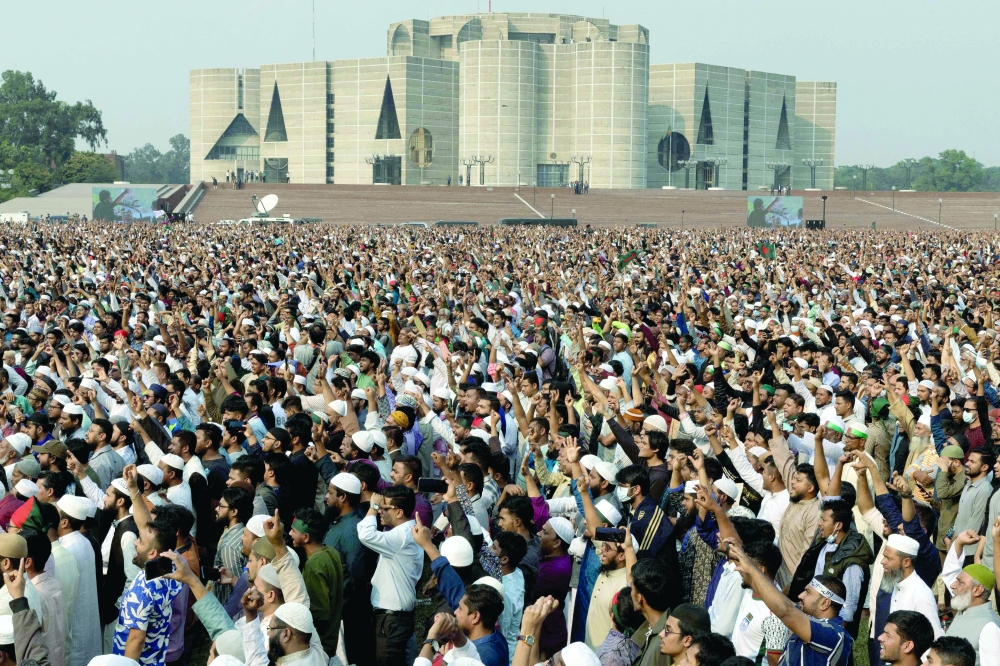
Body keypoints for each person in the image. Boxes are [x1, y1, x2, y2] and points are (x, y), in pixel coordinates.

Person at [727, 540, 854, 666]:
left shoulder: (832, 634)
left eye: (808, 592)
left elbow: (785, 610)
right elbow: (777, 600)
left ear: (825, 603)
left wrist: (752, 569)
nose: (800, 596)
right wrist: (744, 563)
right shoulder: (809, 620)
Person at [356, 485, 422, 666]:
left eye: (384, 508)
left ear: (399, 512)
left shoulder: (401, 537)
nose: (380, 512)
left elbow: (365, 534)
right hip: (396, 618)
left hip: (392, 621)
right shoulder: (407, 532)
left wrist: (372, 506)